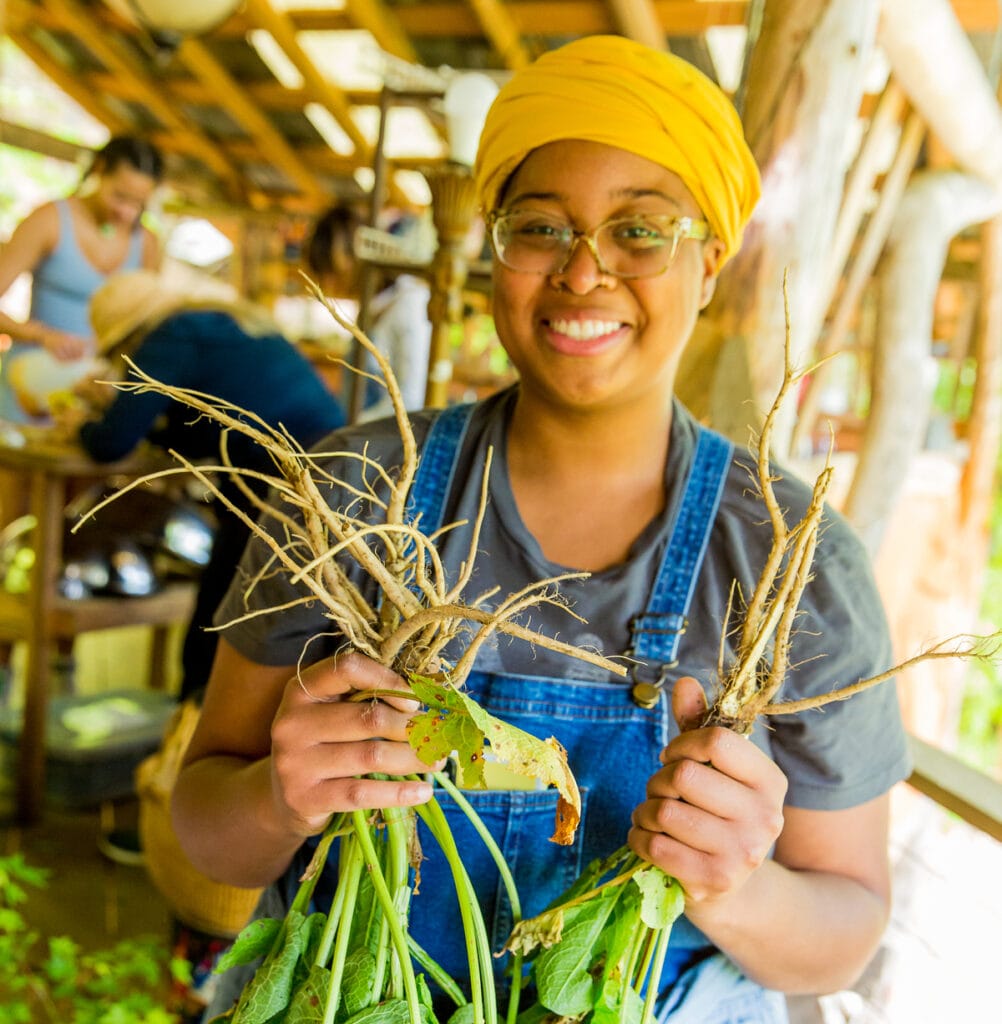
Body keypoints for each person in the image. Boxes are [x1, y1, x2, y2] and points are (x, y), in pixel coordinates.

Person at [175, 36, 911, 1024]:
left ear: (710, 263)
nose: (583, 271)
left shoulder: (796, 560)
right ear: (494, 251)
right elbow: (204, 816)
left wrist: (738, 882)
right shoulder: (354, 490)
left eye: (641, 230)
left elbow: (848, 924)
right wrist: (280, 796)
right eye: (540, 227)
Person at [63, 269, 347, 702]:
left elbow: (109, 443)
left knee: (222, 622)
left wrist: (81, 424)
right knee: (251, 615)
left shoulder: (169, 335)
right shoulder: (218, 320)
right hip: (325, 470)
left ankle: (193, 733)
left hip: (278, 484)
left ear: (129, 336)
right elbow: (205, 427)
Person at [0, 135, 163, 424]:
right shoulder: (49, 219)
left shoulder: (148, 243)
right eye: (119, 196)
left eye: (138, 203)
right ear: (99, 170)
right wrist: (41, 336)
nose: (125, 212)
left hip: (94, 397)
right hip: (29, 384)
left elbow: (148, 327)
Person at [306, 203, 432, 418]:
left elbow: (411, 402)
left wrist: (350, 430)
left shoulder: (408, 305)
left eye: (332, 275)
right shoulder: (370, 308)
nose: (330, 285)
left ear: (351, 259)